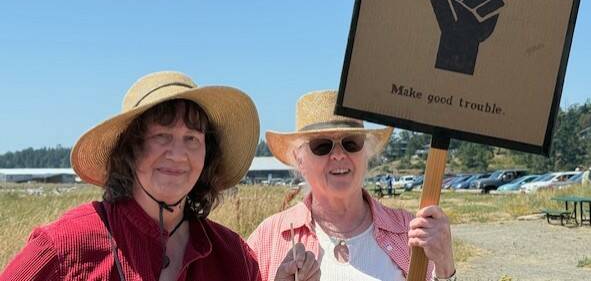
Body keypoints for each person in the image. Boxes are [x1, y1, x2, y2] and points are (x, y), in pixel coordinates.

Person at [1, 71, 319, 281]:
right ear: (130, 149)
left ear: (208, 156)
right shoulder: (67, 244)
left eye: (192, 138)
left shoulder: (231, 256)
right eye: (162, 135)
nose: (178, 154)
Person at [248, 90, 457, 281]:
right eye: (322, 145)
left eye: (351, 143)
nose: (339, 155)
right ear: (300, 159)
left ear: (366, 153)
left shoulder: (410, 231)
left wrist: (445, 269)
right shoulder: (269, 237)